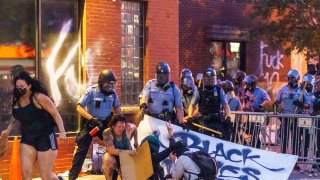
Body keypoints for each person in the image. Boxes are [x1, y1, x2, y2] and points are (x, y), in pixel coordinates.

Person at [68, 69, 133, 180]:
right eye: (108, 84)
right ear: (101, 82)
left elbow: (117, 107)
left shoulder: (113, 93)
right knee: (82, 147)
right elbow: (79, 107)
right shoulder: (91, 91)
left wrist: (123, 121)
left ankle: (115, 175)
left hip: (107, 124)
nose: (110, 86)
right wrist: (91, 119)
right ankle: (72, 176)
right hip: (93, 124)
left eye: (112, 84)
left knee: (115, 145)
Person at [1, 71, 66, 179]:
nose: (19, 89)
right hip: (28, 139)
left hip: (45, 138)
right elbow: (16, 115)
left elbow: (55, 114)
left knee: (45, 176)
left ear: (29, 86)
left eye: (22, 86)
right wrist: (8, 130)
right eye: (17, 86)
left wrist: (62, 132)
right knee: (26, 175)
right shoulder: (16, 99)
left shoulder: (38, 97)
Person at [188, 67, 232, 140]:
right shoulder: (199, 91)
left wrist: (228, 117)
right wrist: (190, 115)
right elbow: (192, 105)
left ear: (215, 79)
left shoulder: (219, 91)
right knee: (204, 139)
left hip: (217, 120)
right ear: (204, 80)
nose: (210, 81)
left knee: (221, 139)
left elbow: (226, 105)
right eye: (208, 79)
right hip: (204, 121)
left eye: (212, 79)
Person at [274, 69, 311, 156]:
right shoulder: (283, 89)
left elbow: (308, 104)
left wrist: (301, 104)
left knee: (296, 139)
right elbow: (277, 101)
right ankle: (283, 158)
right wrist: (275, 105)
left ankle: (294, 160)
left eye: (292, 78)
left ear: (297, 79)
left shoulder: (301, 91)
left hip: (296, 118)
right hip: (285, 117)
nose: (290, 80)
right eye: (289, 78)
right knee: (284, 139)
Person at [102, 114, 136, 180]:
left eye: (123, 126)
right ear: (113, 126)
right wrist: (128, 151)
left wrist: (136, 142)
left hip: (127, 157)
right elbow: (111, 150)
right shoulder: (107, 132)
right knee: (107, 159)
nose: (121, 129)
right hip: (114, 157)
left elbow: (135, 128)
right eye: (119, 127)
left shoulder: (128, 128)